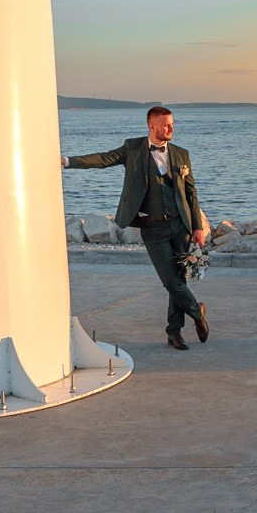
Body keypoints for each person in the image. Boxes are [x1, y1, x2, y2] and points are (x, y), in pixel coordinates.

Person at [64, 105, 210, 350]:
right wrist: (67, 161)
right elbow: (102, 159)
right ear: (152, 126)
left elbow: (191, 193)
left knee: (179, 281)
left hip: (180, 225)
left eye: (173, 124)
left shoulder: (181, 154)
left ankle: (174, 333)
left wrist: (197, 227)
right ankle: (197, 312)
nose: (172, 128)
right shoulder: (132, 149)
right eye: (166, 125)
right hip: (152, 229)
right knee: (170, 281)